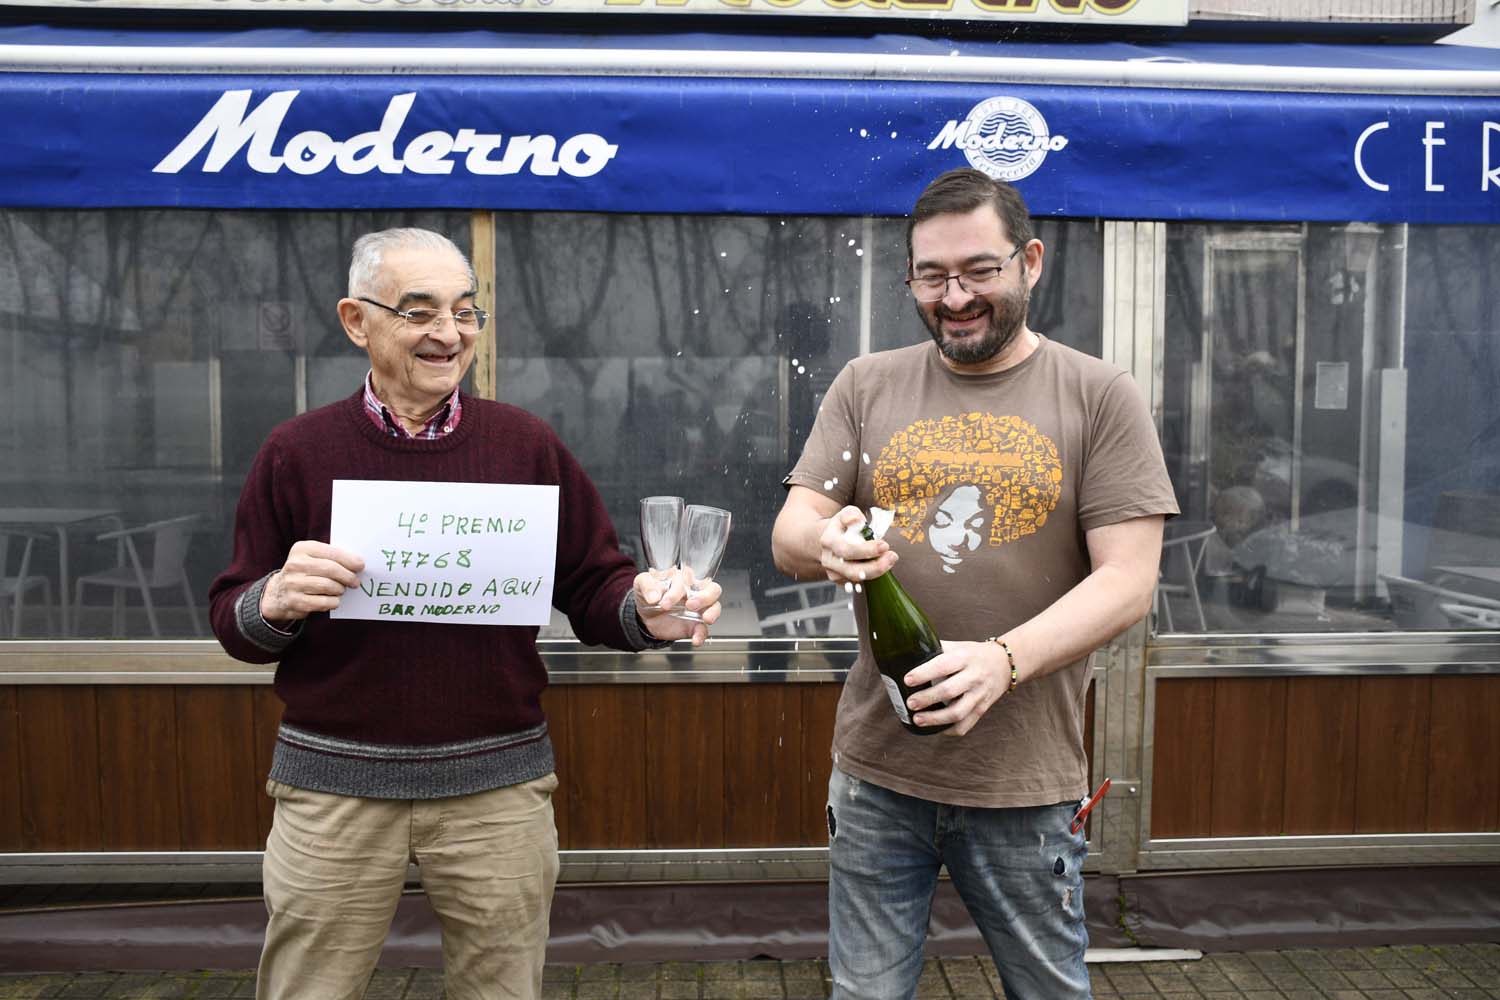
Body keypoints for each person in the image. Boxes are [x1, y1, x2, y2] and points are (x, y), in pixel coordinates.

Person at [208, 228, 720, 1000]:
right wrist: (272, 600)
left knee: (502, 990)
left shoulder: (525, 445)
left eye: (465, 312)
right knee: (306, 990)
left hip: (497, 791)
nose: (448, 334)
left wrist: (648, 616)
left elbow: (593, 586)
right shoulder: (297, 450)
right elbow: (232, 616)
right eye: (419, 312)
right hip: (333, 788)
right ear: (357, 321)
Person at [770, 169, 1177, 999]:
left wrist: (1004, 660)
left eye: (978, 270)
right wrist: (828, 541)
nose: (954, 296)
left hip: (1025, 785)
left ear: (1030, 261)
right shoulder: (867, 384)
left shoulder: (1099, 396)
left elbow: (1130, 583)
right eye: (931, 276)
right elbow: (789, 535)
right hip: (878, 773)